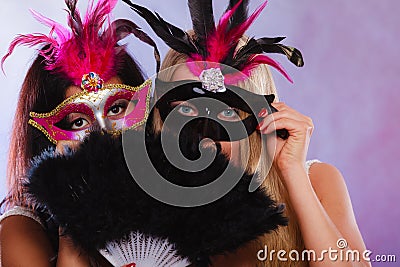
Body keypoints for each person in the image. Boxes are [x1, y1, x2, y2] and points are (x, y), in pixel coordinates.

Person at [127, 0, 371, 266]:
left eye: (226, 114)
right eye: (186, 114)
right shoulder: (142, 204)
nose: (205, 140)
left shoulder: (316, 181)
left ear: (258, 119)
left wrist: (293, 173)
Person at [0, 0, 159, 266]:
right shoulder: (21, 229)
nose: (105, 132)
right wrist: (69, 212)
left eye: (118, 107)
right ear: (47, 137)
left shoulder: (174, 194)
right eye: (77, 122)